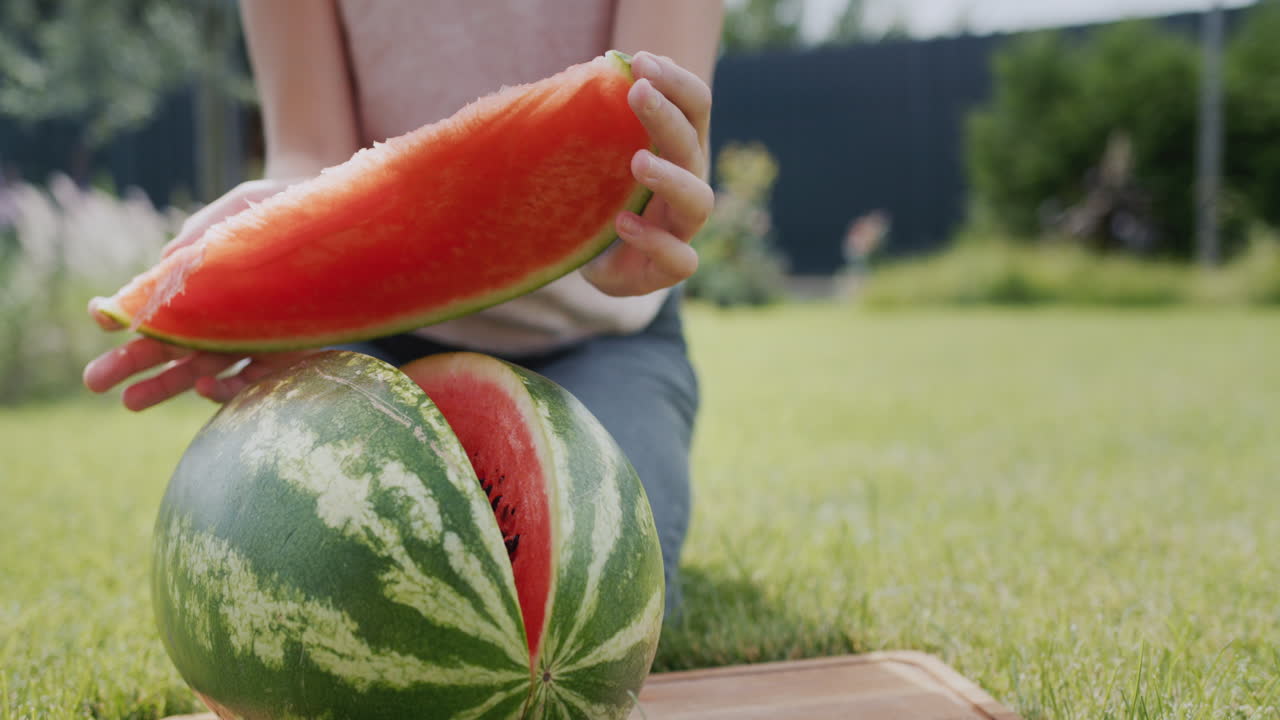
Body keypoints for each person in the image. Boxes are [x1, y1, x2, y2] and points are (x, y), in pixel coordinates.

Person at [83, 0, 723, 619]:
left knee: (586, 592)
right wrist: (276, 259)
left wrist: (652, 207)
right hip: (373, 331)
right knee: (311, 583)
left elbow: (646, 113)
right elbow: (309, 149)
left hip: (603, 336)